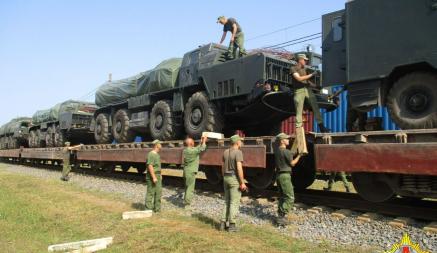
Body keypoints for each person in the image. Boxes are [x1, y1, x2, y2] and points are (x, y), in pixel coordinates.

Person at [291, 54, 329, 133]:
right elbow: (299, 79)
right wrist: (312, 74)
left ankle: (322, 128)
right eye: (304, 60)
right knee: (299, 111)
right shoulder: (293, 68)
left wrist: (316, 86)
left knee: (315, 107)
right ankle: (299, 130)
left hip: (307, 90)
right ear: (300, 60)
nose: (306, 61)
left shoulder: (304, 69)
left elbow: (307, 81)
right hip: (299, 91)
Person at [220, 134, 247, 232]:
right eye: (240, 141)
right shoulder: (238, 152)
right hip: (233, 178)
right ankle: (232, 225)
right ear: (237, 142)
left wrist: (224, 177)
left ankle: (222, 224)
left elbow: (222, 167)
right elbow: (239, 168)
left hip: (226, 178)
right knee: (234, 202)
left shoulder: (225, 152)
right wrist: (242, 182)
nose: (241, 142)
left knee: (227, 201)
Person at [274, 133, 301, 226]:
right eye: (287, 139)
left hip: (278, 176)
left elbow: (290, 154)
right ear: (282, 141)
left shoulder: (277, 151)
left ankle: (280, 216)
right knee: (290, 197)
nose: (288, 140)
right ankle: (281, 216)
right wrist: (300, 156)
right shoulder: (286, 152)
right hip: (285, 176)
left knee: (282, 197)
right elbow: (292, 163)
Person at [182, 136, 208, 209]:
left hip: (186, 171)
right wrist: (204, 141)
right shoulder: (192, 151)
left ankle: (186, 201)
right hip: (191, 172)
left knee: (187, 187)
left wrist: (201, 141)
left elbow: (196, 148)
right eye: (193, 142)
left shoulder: (186, 150)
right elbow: (201, 148)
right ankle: (187, 205)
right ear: (191, 144)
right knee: (190, 188)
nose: (194, 142)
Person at [145, 139, 162, 212]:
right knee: (150, 192)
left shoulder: (157, 155)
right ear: (156, 145)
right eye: (160, 144)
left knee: (158, 192)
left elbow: (158, 166)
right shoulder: (151, 154)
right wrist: (154, 177)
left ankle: (157, 209)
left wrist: (160, 174)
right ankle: (148, 209)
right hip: (152, 176)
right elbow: (150, 166)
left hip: (157, 175)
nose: (161, 146)